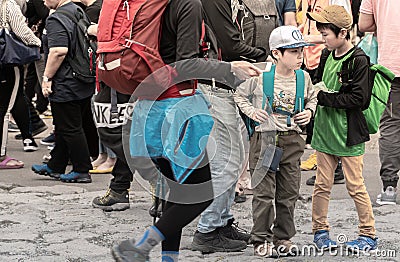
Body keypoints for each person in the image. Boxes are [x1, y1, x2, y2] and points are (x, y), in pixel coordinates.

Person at [108, 0, 261, 260]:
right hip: (177, 111)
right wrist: (229, 67)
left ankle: (169, 258)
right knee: (201, 194)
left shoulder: (151, 5)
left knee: (175, 193)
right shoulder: (188, 4)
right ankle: (141, 247)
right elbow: (184, 65)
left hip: (149, 108)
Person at [234, 25, 317, 257]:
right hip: (265, 140)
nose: (300, 56)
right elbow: (238, 95)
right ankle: (261, 238)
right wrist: (251, 111)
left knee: (289, 192)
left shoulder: (304, 77)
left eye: (301, 51)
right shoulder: (261, 78)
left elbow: (312, 99)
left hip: (292, 140)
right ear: (276, 54)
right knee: (263, 193)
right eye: (293, 52)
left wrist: (309, 113)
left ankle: (283, 237)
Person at [307, 5, 377, 252]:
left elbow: (360, 100)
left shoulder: (359, 60)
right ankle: (320, 231)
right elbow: (317, 81)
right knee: (321, 185)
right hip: (324, 131)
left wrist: (325, 98)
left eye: (326, 33)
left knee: (355, 185)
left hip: (349, 135)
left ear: (343, 33)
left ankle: (368, 234)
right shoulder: (326, 55)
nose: (322, 38)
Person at [31, 0, 94, 183]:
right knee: (65, 125)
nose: (43, 1)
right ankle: (55, 165)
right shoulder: (77, 11)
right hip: (82, 77)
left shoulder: (57, 18)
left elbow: (58, 50)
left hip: (67, 80)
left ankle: (81, 170)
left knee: (70, 128)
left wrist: (46, 78)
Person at [359, 0, 400, 205]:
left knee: (391, 125)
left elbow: (364, 24)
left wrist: (385, 22)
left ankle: (389, 188)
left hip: (391, 69)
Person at [0, 0, 41, 169]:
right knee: (6, 107)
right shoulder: (7, 5)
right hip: (6, 61)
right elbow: (21, 30)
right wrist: (38, 43)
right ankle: (1, 155)